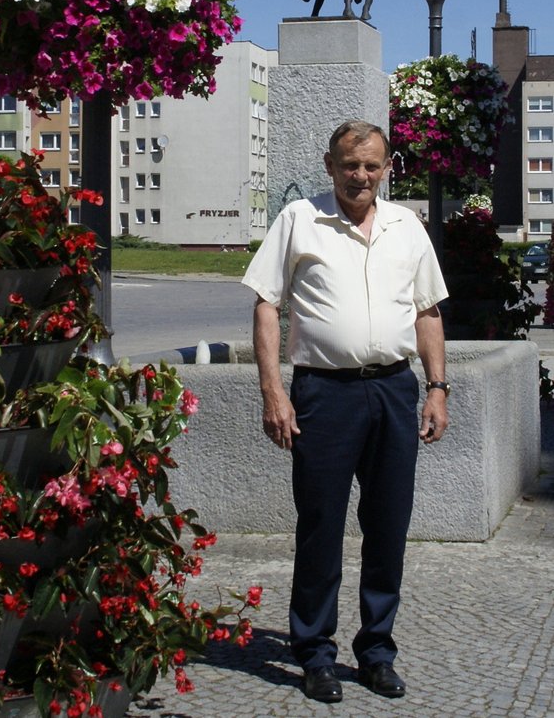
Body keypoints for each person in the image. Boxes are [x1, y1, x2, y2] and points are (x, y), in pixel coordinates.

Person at [242, 120, 449, 703]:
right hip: (323, 395)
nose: (360, 176)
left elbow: (428, 310)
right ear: (329, 165)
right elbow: (266, 305)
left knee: (388, 528)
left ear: (387, 168)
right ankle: (314, 653)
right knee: (321, 528)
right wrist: (273, 390)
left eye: (371, 165)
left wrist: (437, 388)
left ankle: (377, 651)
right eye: (349, 165)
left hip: (392, 389)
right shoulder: (298, 220)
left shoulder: (407, 226)